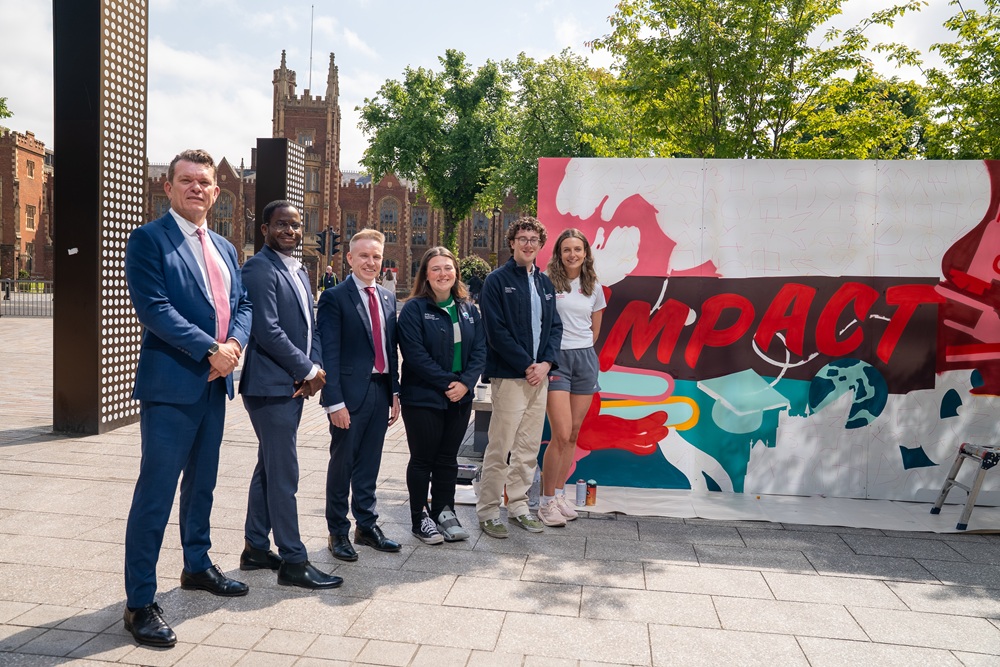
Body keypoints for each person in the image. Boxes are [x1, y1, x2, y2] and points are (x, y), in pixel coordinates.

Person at [122, 149, 253, 647]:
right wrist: (210, 349)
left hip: (215, 384)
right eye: (187, 181)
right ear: (169, 188)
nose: (196, 188)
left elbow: (241, 303)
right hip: (172, 386)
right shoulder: (148, 240)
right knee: (155, 493)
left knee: (203, 485)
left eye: (204, 182)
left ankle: (196, 565)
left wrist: (235, 345)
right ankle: (139, 603)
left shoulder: (223, 245)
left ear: (216, 192)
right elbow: (153, 308)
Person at [238, 200, 342, 590]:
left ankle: (254, 548)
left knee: (269, 466)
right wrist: (307, 369)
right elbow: (266, 330)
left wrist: (314, 369)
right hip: (269, 386)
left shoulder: (298, 270)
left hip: (292, 383)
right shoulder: (258, 269)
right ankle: (294, 561)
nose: (290, 231)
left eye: (296, 226)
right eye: (281, 225)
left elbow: (309, 327)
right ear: (264, 228)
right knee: (285, 473)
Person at [318, 229, 402, 561]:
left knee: (369, 463)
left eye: (376, 256)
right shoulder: (335, 297)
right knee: (342, 465)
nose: (371, 262)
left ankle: (366, 526)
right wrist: (333, 402)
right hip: (349, 396)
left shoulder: (386, 297)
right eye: (364, 256)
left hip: (380, 391)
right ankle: (338, 531)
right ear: (350, 258)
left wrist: (395, 390)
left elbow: (389, 349)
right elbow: (329, 353)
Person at [476, 216, 562, 538]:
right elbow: (495, 331)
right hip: (511, 378)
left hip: (539, 379)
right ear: (512, 242)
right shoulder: (496, 281)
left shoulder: (545, 284)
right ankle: (487, 511)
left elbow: (555, 328)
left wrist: (547, 364)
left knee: (527, 449)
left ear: (541, 246)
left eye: (533, 239)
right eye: (522, 238)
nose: (528, 244)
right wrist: (528, 363)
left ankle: (518, 507)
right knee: (500, 447)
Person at [397, 247, 486, 543]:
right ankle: (419, 517)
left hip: (460, 397)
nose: (442, 274)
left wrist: (466, 383)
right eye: (435, 269)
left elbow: (480, 351)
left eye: (447, 268)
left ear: (456, 273)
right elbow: (414, 355)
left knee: (448, 459)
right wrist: (451, 383)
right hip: (423, 396)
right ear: (425, 274)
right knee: (423, 459)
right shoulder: (414, 309)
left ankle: (444, 512)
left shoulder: (469, 309)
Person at [538, 229, 607, 526]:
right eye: (566, 249)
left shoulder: (594, 286)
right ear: (558, 253)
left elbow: (594, 330)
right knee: (561, 434)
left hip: (585, 360)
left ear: (586, 253)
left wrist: (583, 352)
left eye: (577, 249)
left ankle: (559, 494)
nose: (572, 254)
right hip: (557, 360)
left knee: (575, 434)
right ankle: (545, 503)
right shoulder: (547, 281)